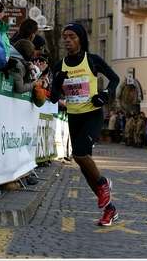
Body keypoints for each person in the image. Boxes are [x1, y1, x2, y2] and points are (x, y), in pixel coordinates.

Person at [49, 22, 120, 226]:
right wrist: (57, 83)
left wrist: (105, 95)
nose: (67, 40)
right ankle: (110, 209)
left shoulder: (92, 60)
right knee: (84, 166)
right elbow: (54, 99)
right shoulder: (59, 65)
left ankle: (103, 184)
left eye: (71, 36)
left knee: (79, 154)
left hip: (92, 114)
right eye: (64, 36)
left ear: (80, 39)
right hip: (74, 116)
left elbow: (114, 78)